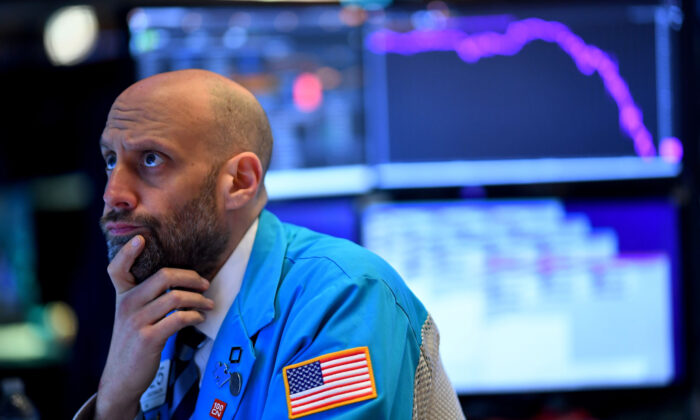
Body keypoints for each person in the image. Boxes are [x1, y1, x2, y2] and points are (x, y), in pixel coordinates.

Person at [74, 69, 464, 420]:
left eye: (152, 159)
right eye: (111, 160)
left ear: (240, 181)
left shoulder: (340, 299)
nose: (113, 194)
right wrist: (114, 403)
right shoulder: (154, 315)